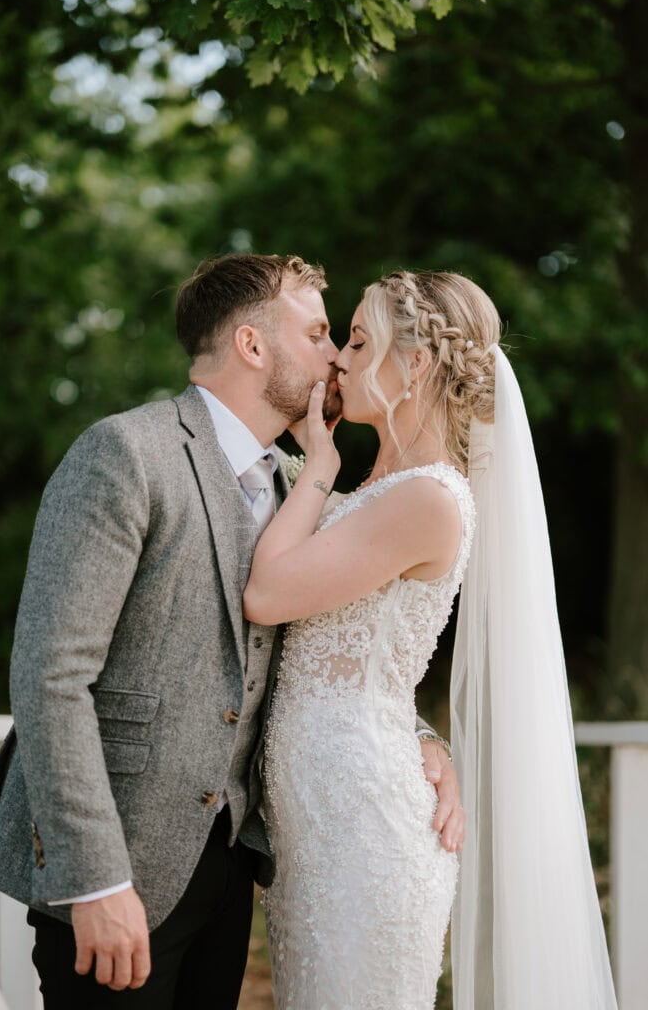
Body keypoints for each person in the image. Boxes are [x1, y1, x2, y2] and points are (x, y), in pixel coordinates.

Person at [0, 254, 460, 1009]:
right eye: (319, 332)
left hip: (230, 866)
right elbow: (51, 675)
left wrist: (419, 738)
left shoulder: (301, 484)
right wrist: (94, 877)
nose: (335, 356)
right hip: (118, 866)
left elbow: (329, 652)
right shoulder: (125, 453)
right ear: (252, 347)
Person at [243, 269, 618, 1010]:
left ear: (413, 364)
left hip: (362, 824)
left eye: (355, 340)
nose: (338, 361)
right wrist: (425, 735)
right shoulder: (378, 493)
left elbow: (266, 596)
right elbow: (355, 658)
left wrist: (317, 465)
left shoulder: (428, 498)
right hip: (320, 818)